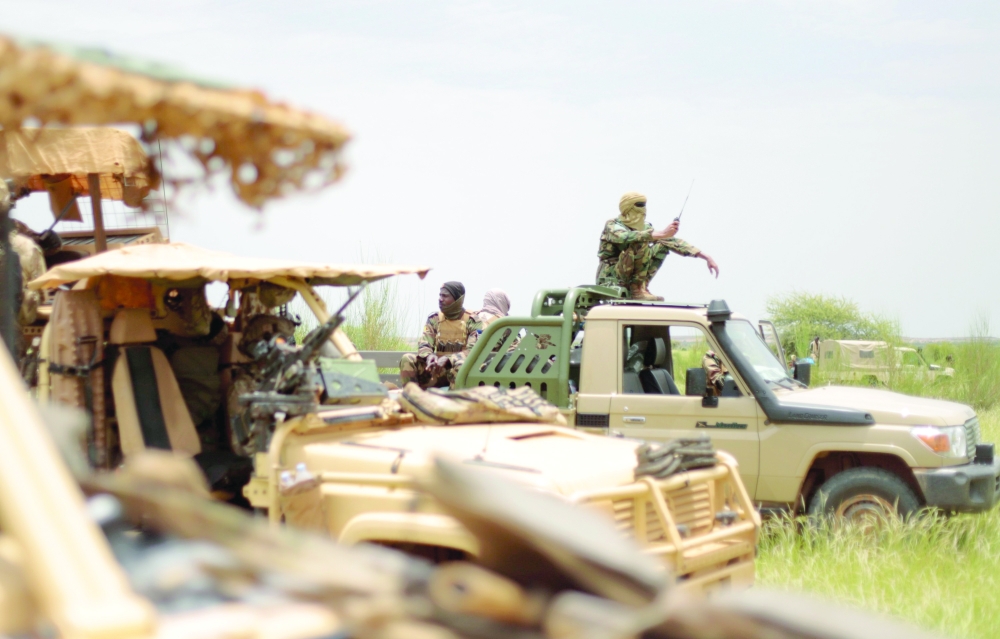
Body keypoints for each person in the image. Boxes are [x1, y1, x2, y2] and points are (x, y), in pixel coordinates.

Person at [596, 192, 719, 301]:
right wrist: (661, 233)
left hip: (632, 274)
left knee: (662, 243)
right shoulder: (612, 225)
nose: (643, 209)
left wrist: (705, 256)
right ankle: (637, 289)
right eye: (639, 205)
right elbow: (625, 237)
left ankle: (641, 287)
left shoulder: (645, 227)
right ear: (627, 206)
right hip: (611, 276)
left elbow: (669, 240)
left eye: (644, 205)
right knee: (640, 241)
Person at [400, 281, 482, 389]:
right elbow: (424, 344)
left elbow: (473, 351)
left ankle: (454, 403)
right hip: (435, 371)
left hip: (460, 372)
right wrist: (430, 356)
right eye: (440, 295)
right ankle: (413, 398)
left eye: (445, 296)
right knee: (407, 358)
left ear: (458, 299)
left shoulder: (473, 321)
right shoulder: (434, 319)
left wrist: (449, 359)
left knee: (461, 365)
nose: (440, 299)